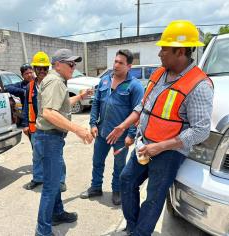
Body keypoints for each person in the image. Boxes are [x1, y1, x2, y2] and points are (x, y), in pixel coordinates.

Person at [108, 20, 214, 235]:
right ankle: (133, 226)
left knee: (154, 197)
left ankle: (140, 232)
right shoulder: (158, 74)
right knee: (126, 180)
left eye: (164, 49)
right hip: (145, 145)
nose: (159, 54)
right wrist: (123, 126)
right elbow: (143, 106)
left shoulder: (199, 85)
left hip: (169, 152)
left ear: (181, 51)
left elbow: (201, 130)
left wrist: (161, 147)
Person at [35, 48, 94, 236]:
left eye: (74, 64)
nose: (73, 67)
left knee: (55, 179)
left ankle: (57, 213)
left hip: (49, 138)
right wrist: (78, 130)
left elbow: (62, 104)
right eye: (70, 64)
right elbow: (49, 112)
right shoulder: (55, 82)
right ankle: (43, 231)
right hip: (49, 138)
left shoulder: (56, 81)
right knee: (51, 186)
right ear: (58, 64)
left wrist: (81, 96)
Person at [80, 49, 144, 205]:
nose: (116, 65)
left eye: (121, 63)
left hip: (121, 137)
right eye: (115, 61)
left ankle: (117, 191)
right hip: (102, 132)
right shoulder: (104, 81)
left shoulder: (135, 86)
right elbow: (95, 103)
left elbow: (138, 112)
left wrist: (131, 134)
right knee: (97, 161)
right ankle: (96, 187)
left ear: (129, 66)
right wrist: (93, 123)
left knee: (119, 165)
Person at [21, 51, 67, 192]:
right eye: (39, 68)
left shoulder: (57, 82)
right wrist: (25, 124)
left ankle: (60, 181)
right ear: (34, 69)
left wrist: (64, 127)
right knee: (37, 155)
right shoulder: (30, 86)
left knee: (57, 156)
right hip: (36, 128)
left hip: (54, 127)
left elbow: (64, 106)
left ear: (49, 68)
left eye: (45, 68)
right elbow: (26, 106)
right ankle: (38, 178)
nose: (42, 71)